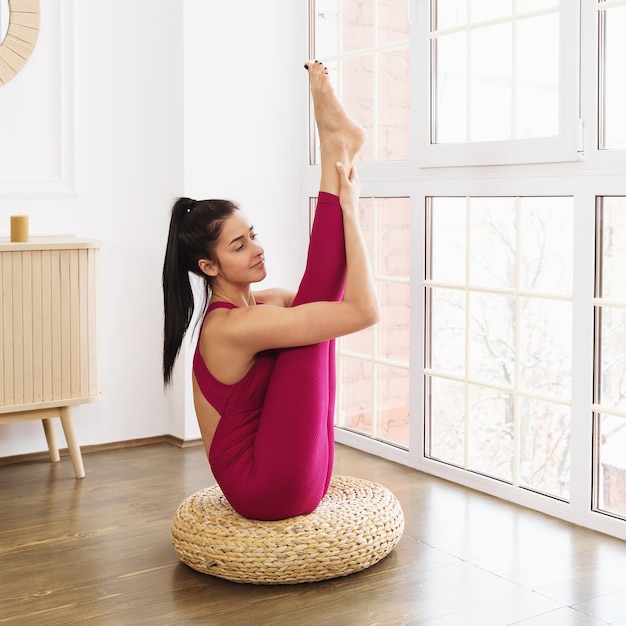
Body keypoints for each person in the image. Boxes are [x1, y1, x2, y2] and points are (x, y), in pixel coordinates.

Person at [162, 60, 379, 520]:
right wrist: (351, 212)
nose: (257, 249)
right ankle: (334, 150)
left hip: (306, 472)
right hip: (268, 490)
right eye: (239, 246)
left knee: (310, 313)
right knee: (311, 323)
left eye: (253, 235)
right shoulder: (231, 327)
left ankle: (335, 149)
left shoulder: (259, 307)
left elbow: (320, 297)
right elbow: (363, 311)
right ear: (208, 266)